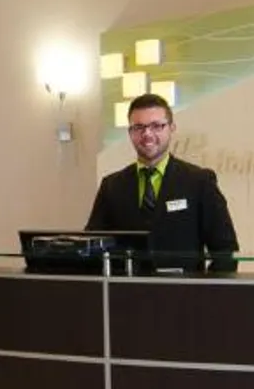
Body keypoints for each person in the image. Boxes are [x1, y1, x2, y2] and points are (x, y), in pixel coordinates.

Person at [86, 93, 239, 273]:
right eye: (139, 127)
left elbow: (225, 251)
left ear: (171, 128)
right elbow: (91, 247)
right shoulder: (112, 186)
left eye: (156, 126)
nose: (147, 134)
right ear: (130, 133)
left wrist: (204, 287)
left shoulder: (199, 182)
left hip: (182, 289)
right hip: (126, 289)